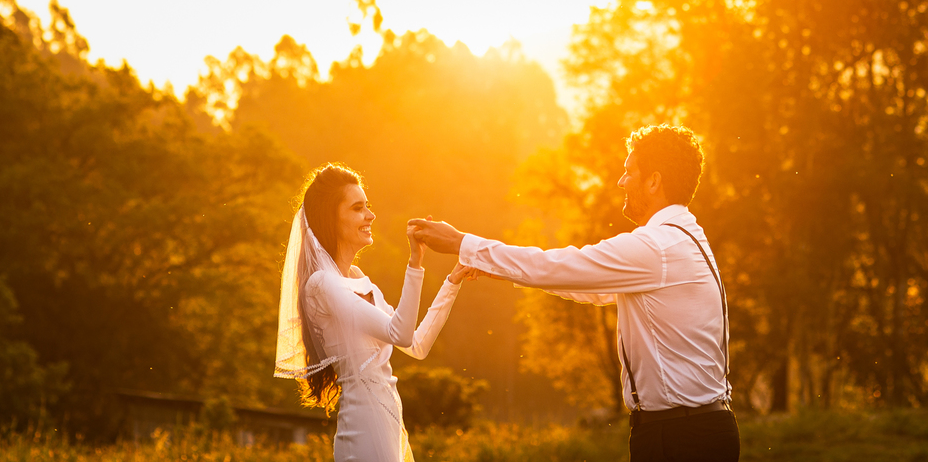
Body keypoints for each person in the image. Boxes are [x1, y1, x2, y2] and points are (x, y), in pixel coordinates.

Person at [411, 124, 739, 462]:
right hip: (692, 430)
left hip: (681, 438)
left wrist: (461, 243)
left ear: (654, 181)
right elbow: (584, 287)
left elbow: (563, 266)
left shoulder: (657, 248)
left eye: (629, 172)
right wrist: (494, 268)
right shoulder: (683, 238)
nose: (620, 182)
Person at [275, 163, 475, 462]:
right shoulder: (321, 284)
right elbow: (400, 331)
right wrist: (414, 263)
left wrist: (452, 282)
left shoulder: (357, 279)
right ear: (331, 218)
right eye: (358, 208)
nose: (371, 215)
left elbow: (416, 344)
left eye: (367, 206)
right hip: (365, 427)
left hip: (389, 420)